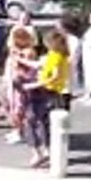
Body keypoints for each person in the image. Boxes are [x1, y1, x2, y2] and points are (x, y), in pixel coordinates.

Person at [20, 29, 71, 169]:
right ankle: (46, 151)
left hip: (47, 92)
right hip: (51, 93)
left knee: (33, 121)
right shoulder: (55, 55)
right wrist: (22, 60)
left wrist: (34, 85)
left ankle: (39, 152)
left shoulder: (56, 57)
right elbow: (39, 65)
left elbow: (54, 76)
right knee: (43, 123)